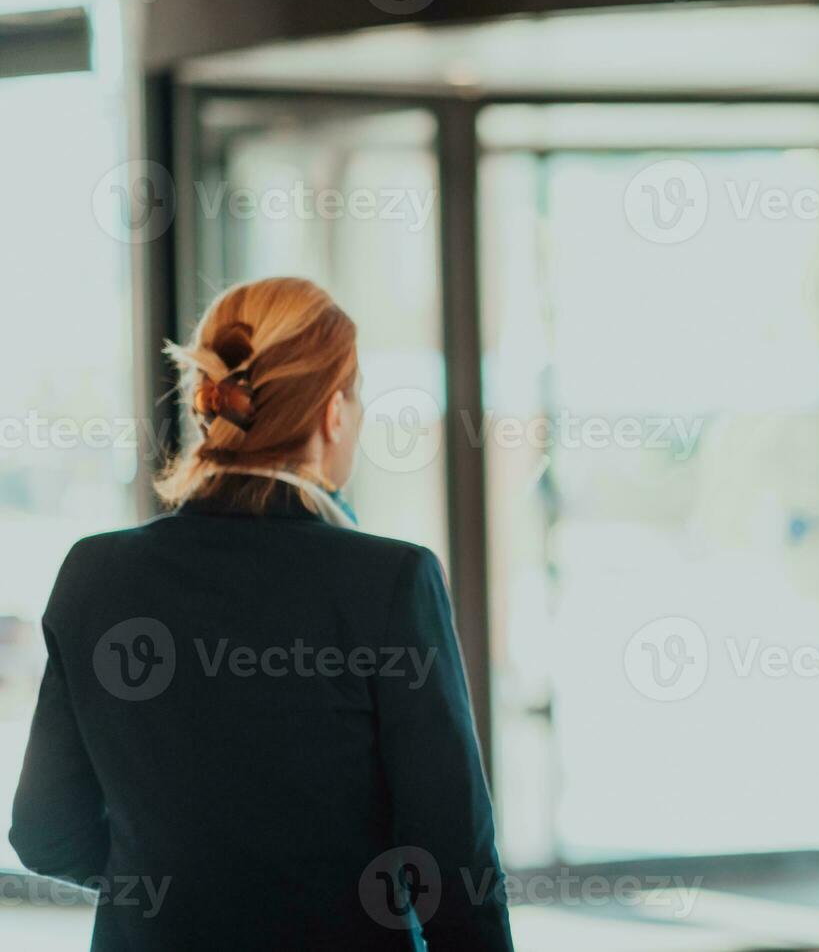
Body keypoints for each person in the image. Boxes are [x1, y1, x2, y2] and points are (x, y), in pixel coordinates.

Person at [10, 277, 514, 951]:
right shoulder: (391, 581)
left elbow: (47, 834)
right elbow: (456, 869)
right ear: (334, 412)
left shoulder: (94, 574)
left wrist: (176, 885)